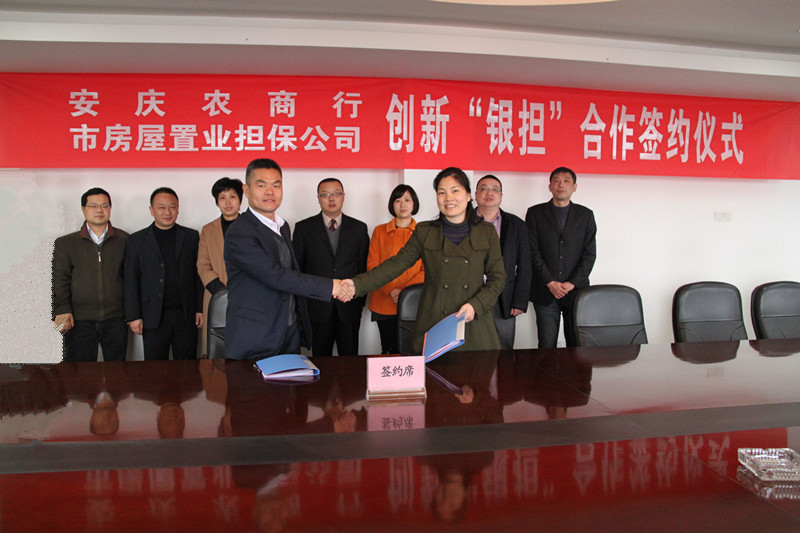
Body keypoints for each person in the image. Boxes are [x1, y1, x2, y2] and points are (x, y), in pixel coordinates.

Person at [345, 167, 506, 354]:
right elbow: (395, 265)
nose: (448, 198)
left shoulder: (486, 231)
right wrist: (356, 284)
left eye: (455, 191)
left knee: (476, 371)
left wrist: (476, 306)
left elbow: (498, 278)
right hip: (434, 321)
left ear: (468, 195)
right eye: (441, 192)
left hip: (474, 322)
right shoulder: (425, 231)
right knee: (432, 372)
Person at [223, 158, 351, 360]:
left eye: (276, 185)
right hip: (255, 337)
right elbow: (276, 276)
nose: (269, 192)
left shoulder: (282, 227)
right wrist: (330, 287)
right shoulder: (240, 232)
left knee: (291, 381)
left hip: (288, 333)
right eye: (261, 185)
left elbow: (291, 272)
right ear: (246, 190)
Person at [292, 178, 369, 356]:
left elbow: (363, 267)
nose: (331, 198)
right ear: (318, 198)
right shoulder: (303, 228)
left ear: (343, 196)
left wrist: (359, 301)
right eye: (325, 194)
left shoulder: (358, 228)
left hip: (349, 306)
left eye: (336, 193)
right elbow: (298, 270)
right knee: (320, 358)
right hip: (317, 307)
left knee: (349, 359)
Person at [124, 187, 203, 360]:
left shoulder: (191, 236)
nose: (167, 212)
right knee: (155, 368)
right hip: (152, 315)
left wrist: (200, 308)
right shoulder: (137, 240)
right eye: (161, 207)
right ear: (151, 210)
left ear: (178, 208)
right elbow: (131, 279)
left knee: (187, 366)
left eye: (172, 207)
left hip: (185, 314)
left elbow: (198, 275)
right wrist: (134, 316)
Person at [52, 187, 129, 362]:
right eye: (93, 205)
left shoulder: (125, 240)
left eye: (104, 205)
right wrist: (63, 309)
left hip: (116, 318)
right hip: (79, 319)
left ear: (110, 208)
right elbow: (60, 279)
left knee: (117, 370)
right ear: (83, 209)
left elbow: (131, 279)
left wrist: (132, 313)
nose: (99, 210)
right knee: (81, 372)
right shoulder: (66, 244)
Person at [525, 166, 596, 348]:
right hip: (545, 290)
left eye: (566, 181)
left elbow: (589, 254)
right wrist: (550, 282)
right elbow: (532, 251)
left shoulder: (585, 215)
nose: (561, 185)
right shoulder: (535, 213)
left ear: (574, 187)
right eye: (556, 180)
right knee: (547, 345)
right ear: (550, 186)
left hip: (576, 291)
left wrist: (572, 283)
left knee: (577, 345)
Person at [474, 175, 531, 350]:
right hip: (470, 294)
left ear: (501, 195)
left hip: (504, 296)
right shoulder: (463, 222)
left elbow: (525, 265)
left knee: (504, 347)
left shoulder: (516, 225)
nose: (489, 193)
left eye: (494, 189)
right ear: (476, 194)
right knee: (471, 347)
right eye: (484, 188)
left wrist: (520, 301)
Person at [366, 184, 425, 354]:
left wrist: (405, 291)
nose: (403, 204)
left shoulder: (423, 233)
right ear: (392, 204)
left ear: (414, 203)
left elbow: (427, 269)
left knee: (411, 351)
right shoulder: (379, 231)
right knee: (388, 349)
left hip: (413, 301)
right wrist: (391, 289)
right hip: (384, 301)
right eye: (398, 200)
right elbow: (372, 265)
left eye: (407, 200)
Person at [197, 176, 243, 355]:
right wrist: (221, 291)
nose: (227, 202)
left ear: (240, 200)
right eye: (222, 197)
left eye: (232, 196)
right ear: (217, 202)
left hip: (247, 295)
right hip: (217, 296)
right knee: (217, 351)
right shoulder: (208, 230)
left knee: (246, 347)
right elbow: (202, 265)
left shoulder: (253, 227)